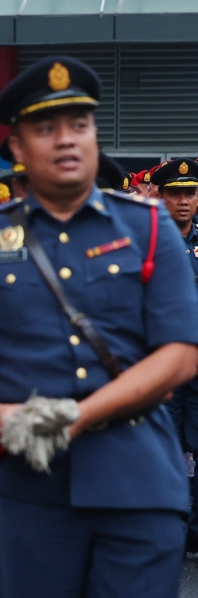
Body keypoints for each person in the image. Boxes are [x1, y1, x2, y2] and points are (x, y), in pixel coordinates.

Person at [0, 55, 198, 598]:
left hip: (138, 481)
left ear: (95, 135)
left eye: (80, 125)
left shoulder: (149, 230)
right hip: (31, 489)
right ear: (15, 148)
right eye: (46, 128)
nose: (66, 140)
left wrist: (77, 417)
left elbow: (181, 354)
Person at [149, 158, 198, 552]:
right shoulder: (143, 243)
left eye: (190, 193)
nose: (183, 201)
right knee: (163, 444)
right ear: (159, 195)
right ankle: (169, 527)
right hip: (160, 365)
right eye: (175, 193)